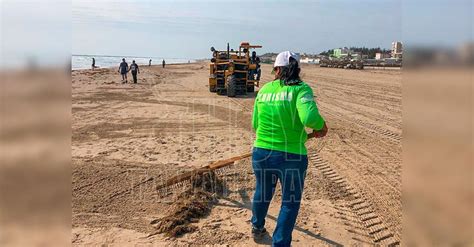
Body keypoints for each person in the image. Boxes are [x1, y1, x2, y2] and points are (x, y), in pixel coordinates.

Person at [251, 51, 328, 246]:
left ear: (276, 69)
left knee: (262, 191)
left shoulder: (264, 90)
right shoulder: (301, 89)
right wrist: (321, 127)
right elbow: (310, 119)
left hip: (262, 151)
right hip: (291, 156)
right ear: (297, 69)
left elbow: (255, 124)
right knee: (289, 202)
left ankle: (257, 227)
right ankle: (280, 243)